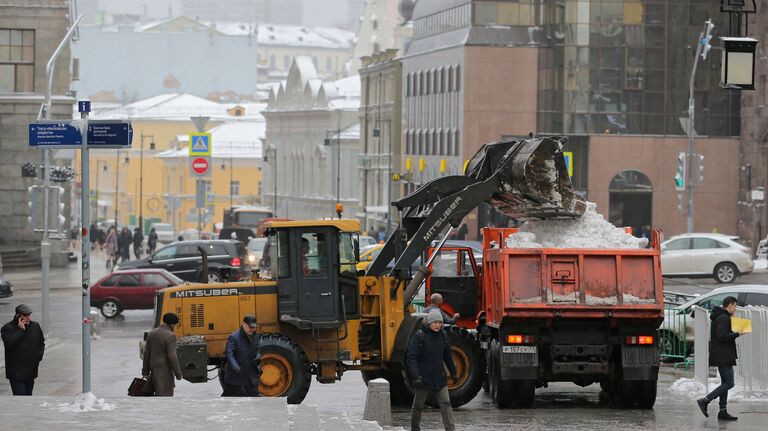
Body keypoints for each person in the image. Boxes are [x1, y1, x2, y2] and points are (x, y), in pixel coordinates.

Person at [406, 309, 457, 431]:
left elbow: (448, 356)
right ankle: (415, 428)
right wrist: (416, 376)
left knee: (446, 404)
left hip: (439, 377)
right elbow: (411, 358)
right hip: (423, 378)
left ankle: (450, 428)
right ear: (429, 322)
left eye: (440, 323)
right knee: (418, 406)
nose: (438, 325)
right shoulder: (419, 336)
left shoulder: (443, 335)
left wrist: (453, 372)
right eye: (435, 323)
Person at [697, 296, 746, 421]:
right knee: (729, 383)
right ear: (729, 305)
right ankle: (705, 400)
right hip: (723, 355)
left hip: (722, 354)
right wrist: (737, 333)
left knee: (725, 383)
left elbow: (721, 334)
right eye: (734, 306)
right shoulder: (724, 318)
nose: (735, 309)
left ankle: (722, 411)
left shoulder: (721, 316)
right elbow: (722, 336)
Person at [1, 304, 45, 395]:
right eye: (25, 315)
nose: (28, 318)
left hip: (31, 371)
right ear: (18, 316)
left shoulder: (35, 326)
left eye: (29, 315)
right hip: (16, 372)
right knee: (20, 399)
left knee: (28, 397)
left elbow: (41, 343)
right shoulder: (7, 328)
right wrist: (21, 330)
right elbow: (9, 344)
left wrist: (38, 357)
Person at [142, 312, 183, 396]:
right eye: (175, 325)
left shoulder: (151, 333)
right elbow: (172, 356)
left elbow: (146, 354)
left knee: (154, 396)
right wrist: (178, 373)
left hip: (153, 369)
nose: (175, 327)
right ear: (172, 324)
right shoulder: (170, 336)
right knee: (164, 398)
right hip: (165, 371)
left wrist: (145, 371)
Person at [222, 315, 262, 397]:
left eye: (254, 327)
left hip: (251, 373)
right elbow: (229, 354)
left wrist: (258, 356)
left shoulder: (255, 336)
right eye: (250, 327)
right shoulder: (233, 337)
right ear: (244, 324)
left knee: (255, 398)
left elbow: (258, 348)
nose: (252, 329)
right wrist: (236, 367)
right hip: (237, 375)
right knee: (228, 399)